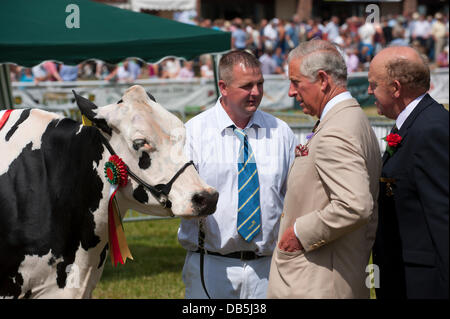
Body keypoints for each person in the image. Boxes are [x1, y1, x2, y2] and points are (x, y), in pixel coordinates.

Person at [178, 50, 297, 299]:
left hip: (268, 267)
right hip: (211, 266)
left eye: (260, 84)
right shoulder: (194, 133)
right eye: (246, 86)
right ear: (223, 87)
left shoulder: (280, 132)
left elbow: (293, 196)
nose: (255, 92)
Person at [267, 40, 381, 298]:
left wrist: (298, 233)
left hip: (317, 283)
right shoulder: (350, 119)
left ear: (322, 79)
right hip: (333, 276)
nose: (291, 92)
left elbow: (354, 205)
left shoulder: (336, 129)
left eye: (296, 82)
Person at [368, 46, 449, 299]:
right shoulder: (413, 124)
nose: (370, 91)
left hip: (424, 284)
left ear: (395, 88)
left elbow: (443, 216)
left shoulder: (431, 129)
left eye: (373, 84)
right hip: (403, 276)